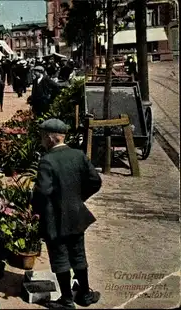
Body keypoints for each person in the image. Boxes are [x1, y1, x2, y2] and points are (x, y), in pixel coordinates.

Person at [31, 119, 102, 309]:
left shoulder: (47, 161)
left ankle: (67, 300)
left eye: (42, 136)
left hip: (55, 218)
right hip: (77, 214)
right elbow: (95, 181)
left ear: (49, 137)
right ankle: (86, 295)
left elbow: (43, 191)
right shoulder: (78, 155)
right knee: (78, 254)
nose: (41, 140)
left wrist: (35, 209)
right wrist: (78, 198)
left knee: (60, 257)